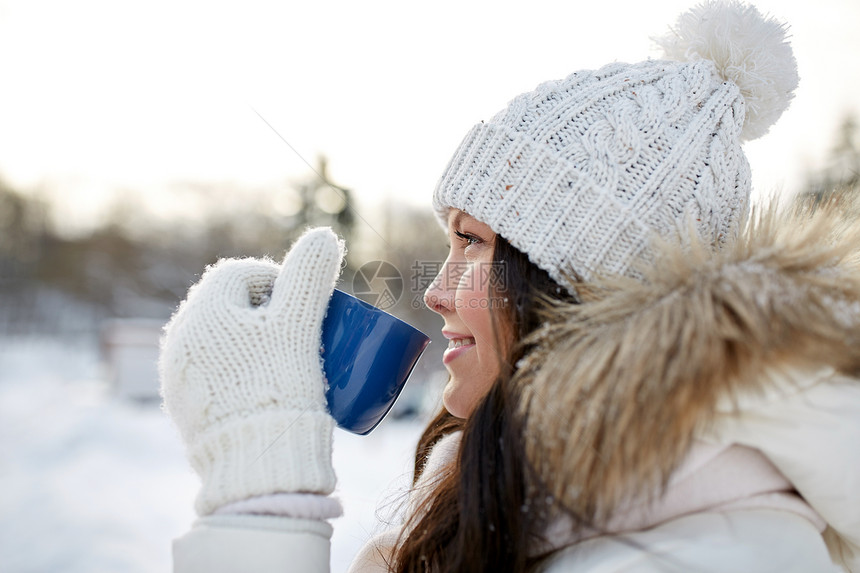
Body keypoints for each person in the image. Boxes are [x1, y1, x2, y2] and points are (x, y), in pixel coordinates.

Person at [159, 0, 860, 571]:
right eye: (449, 239)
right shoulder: (501, 499)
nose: (436, 292)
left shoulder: (712, 556)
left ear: (586, 283)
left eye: (473, 240)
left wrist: (262, 499)